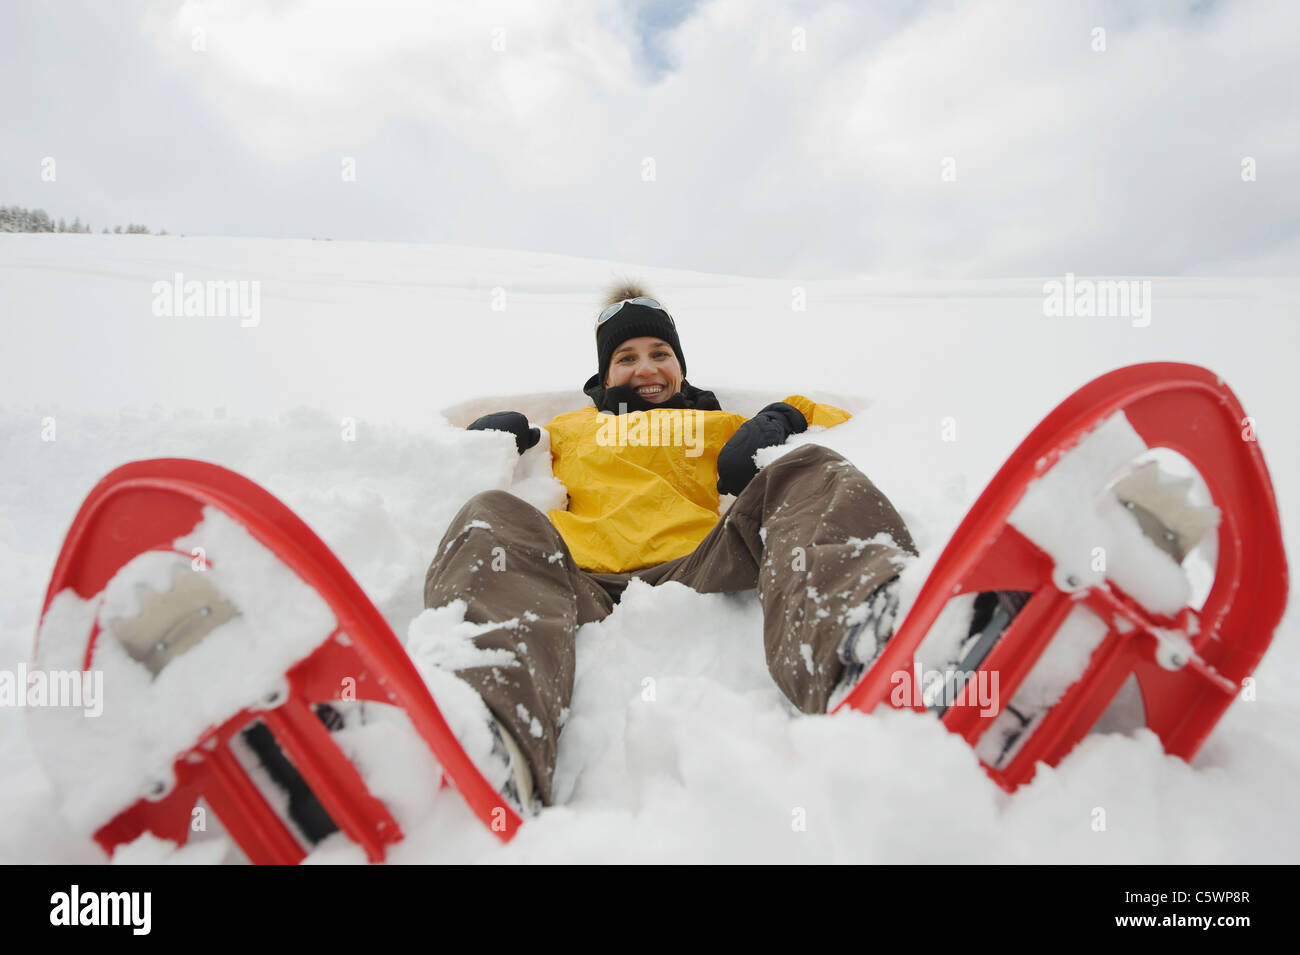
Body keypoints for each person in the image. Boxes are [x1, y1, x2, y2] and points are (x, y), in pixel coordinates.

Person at [423, 283, 918, 813]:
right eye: (626, 357)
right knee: (490, 512)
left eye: (661, 353)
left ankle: (862, 637)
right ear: (604, 374)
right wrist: (493, 432)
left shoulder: (720, 422)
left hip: (702, 563)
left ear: (680, 363)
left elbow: (855, 420)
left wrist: (779, 418)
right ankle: (486, 723)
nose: (647, 368)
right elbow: (439, 440)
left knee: (812, 468)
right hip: (581, 577)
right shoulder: (570, 427)